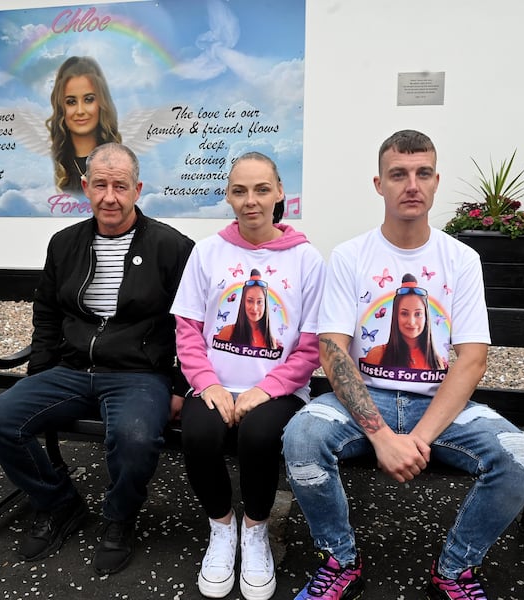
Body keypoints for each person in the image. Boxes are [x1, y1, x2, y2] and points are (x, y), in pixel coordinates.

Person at [282, 130, 524, 600]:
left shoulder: (460, 259)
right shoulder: (350, 256)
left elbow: (472, 359)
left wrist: (416, 441)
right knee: (302, 435)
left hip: (439, 405)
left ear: (437, 181)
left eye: (422, 173)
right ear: (379, 184)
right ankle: (340, 559)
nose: (411, 184)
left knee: (520, 457)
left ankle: (455, 571)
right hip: (367, 400)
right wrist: (382, 437)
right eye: (398, 174)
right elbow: (333, 352)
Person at [0, 143, 194, 576]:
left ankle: (118, 517)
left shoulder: (172, 246)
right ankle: (59, 504)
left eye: (120, 186)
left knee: (133, 440)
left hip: (138, 373)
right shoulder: (65, 244)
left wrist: (179, 385)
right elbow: (48, 312)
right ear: (85, 188)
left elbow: (190, 322)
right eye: (100, 185)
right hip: (72, 370)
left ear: (138, 189)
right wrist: (38, 375)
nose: (109, 196)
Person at [171, 152, 325, 600]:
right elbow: (187, 328)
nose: (251, 200)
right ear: (228, 196)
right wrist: (207, 383)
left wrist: (267, 389)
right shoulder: (208, 251)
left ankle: (255, 530)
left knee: (259, 436)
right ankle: (222, 527)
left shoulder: (306, 259)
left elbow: (312, 343)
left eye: (261, 189)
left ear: (280, 193)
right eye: (240, 190)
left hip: (279, 390)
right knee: (198, 434)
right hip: (214, 385)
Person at [46, 56, 121, 193]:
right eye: (71, 102)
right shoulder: (54, 162)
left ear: (101, 103)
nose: (80, 111)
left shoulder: (120, 160)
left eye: (89, 99)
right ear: (61, 107)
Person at [361, 273, 446, 371]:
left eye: (418, 314)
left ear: (426, 317)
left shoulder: (437, 362)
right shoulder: (376, 355)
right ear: (396, 316)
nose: (411, 322)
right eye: (404, 314)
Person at [214, 268, 282, 349]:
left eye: (259, 302)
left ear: (265, 305)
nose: (254, 308)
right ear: (243, 302)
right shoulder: (227, 332)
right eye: (250, 301)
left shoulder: (271, 341)